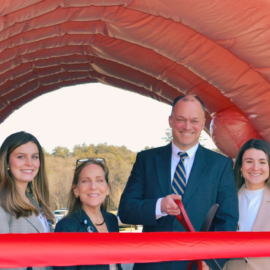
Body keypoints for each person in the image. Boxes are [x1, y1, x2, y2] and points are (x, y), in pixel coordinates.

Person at [118, 94, 239, 270]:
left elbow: (227, 221)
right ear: (170, 121)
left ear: (203, 122)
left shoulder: (221, 165)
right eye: (181, 119)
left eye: (194, 121)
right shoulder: (146, 160)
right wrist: (160, 206)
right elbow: (126, 210)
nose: (187, 126)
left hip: (197, 266)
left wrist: (212, 264)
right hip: (151, 265)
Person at [54, 158, 122, 270]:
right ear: (76, 190)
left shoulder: (112, 220)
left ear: (107, 188)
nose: (93, 187)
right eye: (85, 181)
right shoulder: (66, 226)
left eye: (99, 180)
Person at [0, 131, 55, 269]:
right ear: (6, 161)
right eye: (21, 157)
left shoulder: (34, 201)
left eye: (34, 157)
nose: (29, 163)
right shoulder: (2, 204)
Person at [224, 139, 270, 270]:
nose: (255, 168)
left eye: (262, 162)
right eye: (249, 161)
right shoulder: (225, 200)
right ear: (240, 166)